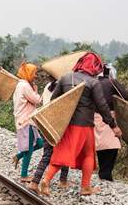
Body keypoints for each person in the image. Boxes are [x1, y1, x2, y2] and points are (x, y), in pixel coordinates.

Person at [39, 52, 122, 196]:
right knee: (88, 155)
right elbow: (102, 106)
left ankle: (47, 180)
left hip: (66, 124)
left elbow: (54, 102)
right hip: (84, 125)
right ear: (94, 66)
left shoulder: (65, 78)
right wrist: (113, 125)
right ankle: (85, 187)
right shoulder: (93, 82)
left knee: (64, 153)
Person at [28, 76, 70, 193]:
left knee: (47, 154)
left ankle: (35, 181)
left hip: (44, 121)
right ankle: (62, 181)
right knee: (64, 151)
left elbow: (42, 101)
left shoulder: (48, 86)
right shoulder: (64, 87)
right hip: (57, 124)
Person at [95, 64, 128, 181]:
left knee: (101, 145)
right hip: (108, 116)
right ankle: (106, 174)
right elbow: (125, 96)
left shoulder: (94, 82)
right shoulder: (111, 82)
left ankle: (103, 173)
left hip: (94, 116)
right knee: (112, 145)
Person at [12, 63, 43, 183]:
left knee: (39, 143)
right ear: (29, 73)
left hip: (26, 120)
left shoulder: (21, 84)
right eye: (34, 73)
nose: (35, 75)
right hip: (26, 121)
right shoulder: (25, 86)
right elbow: (37, 100)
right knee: (29, 148)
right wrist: (35, 89)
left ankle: (18, 156)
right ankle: (24, 175)